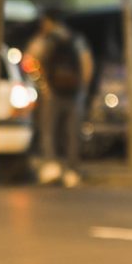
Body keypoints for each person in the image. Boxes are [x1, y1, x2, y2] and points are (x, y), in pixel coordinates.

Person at [24, 10, 93, 187]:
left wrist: (42, 83)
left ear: (48, 21)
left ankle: (51, 167)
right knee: (72, 133)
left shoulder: (45, 40)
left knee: (49, 130)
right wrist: (82, 87)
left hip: (52, 92)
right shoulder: (76, 39)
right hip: (74, 92)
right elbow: (86, 63)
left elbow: (29, 61)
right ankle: (72, 170)